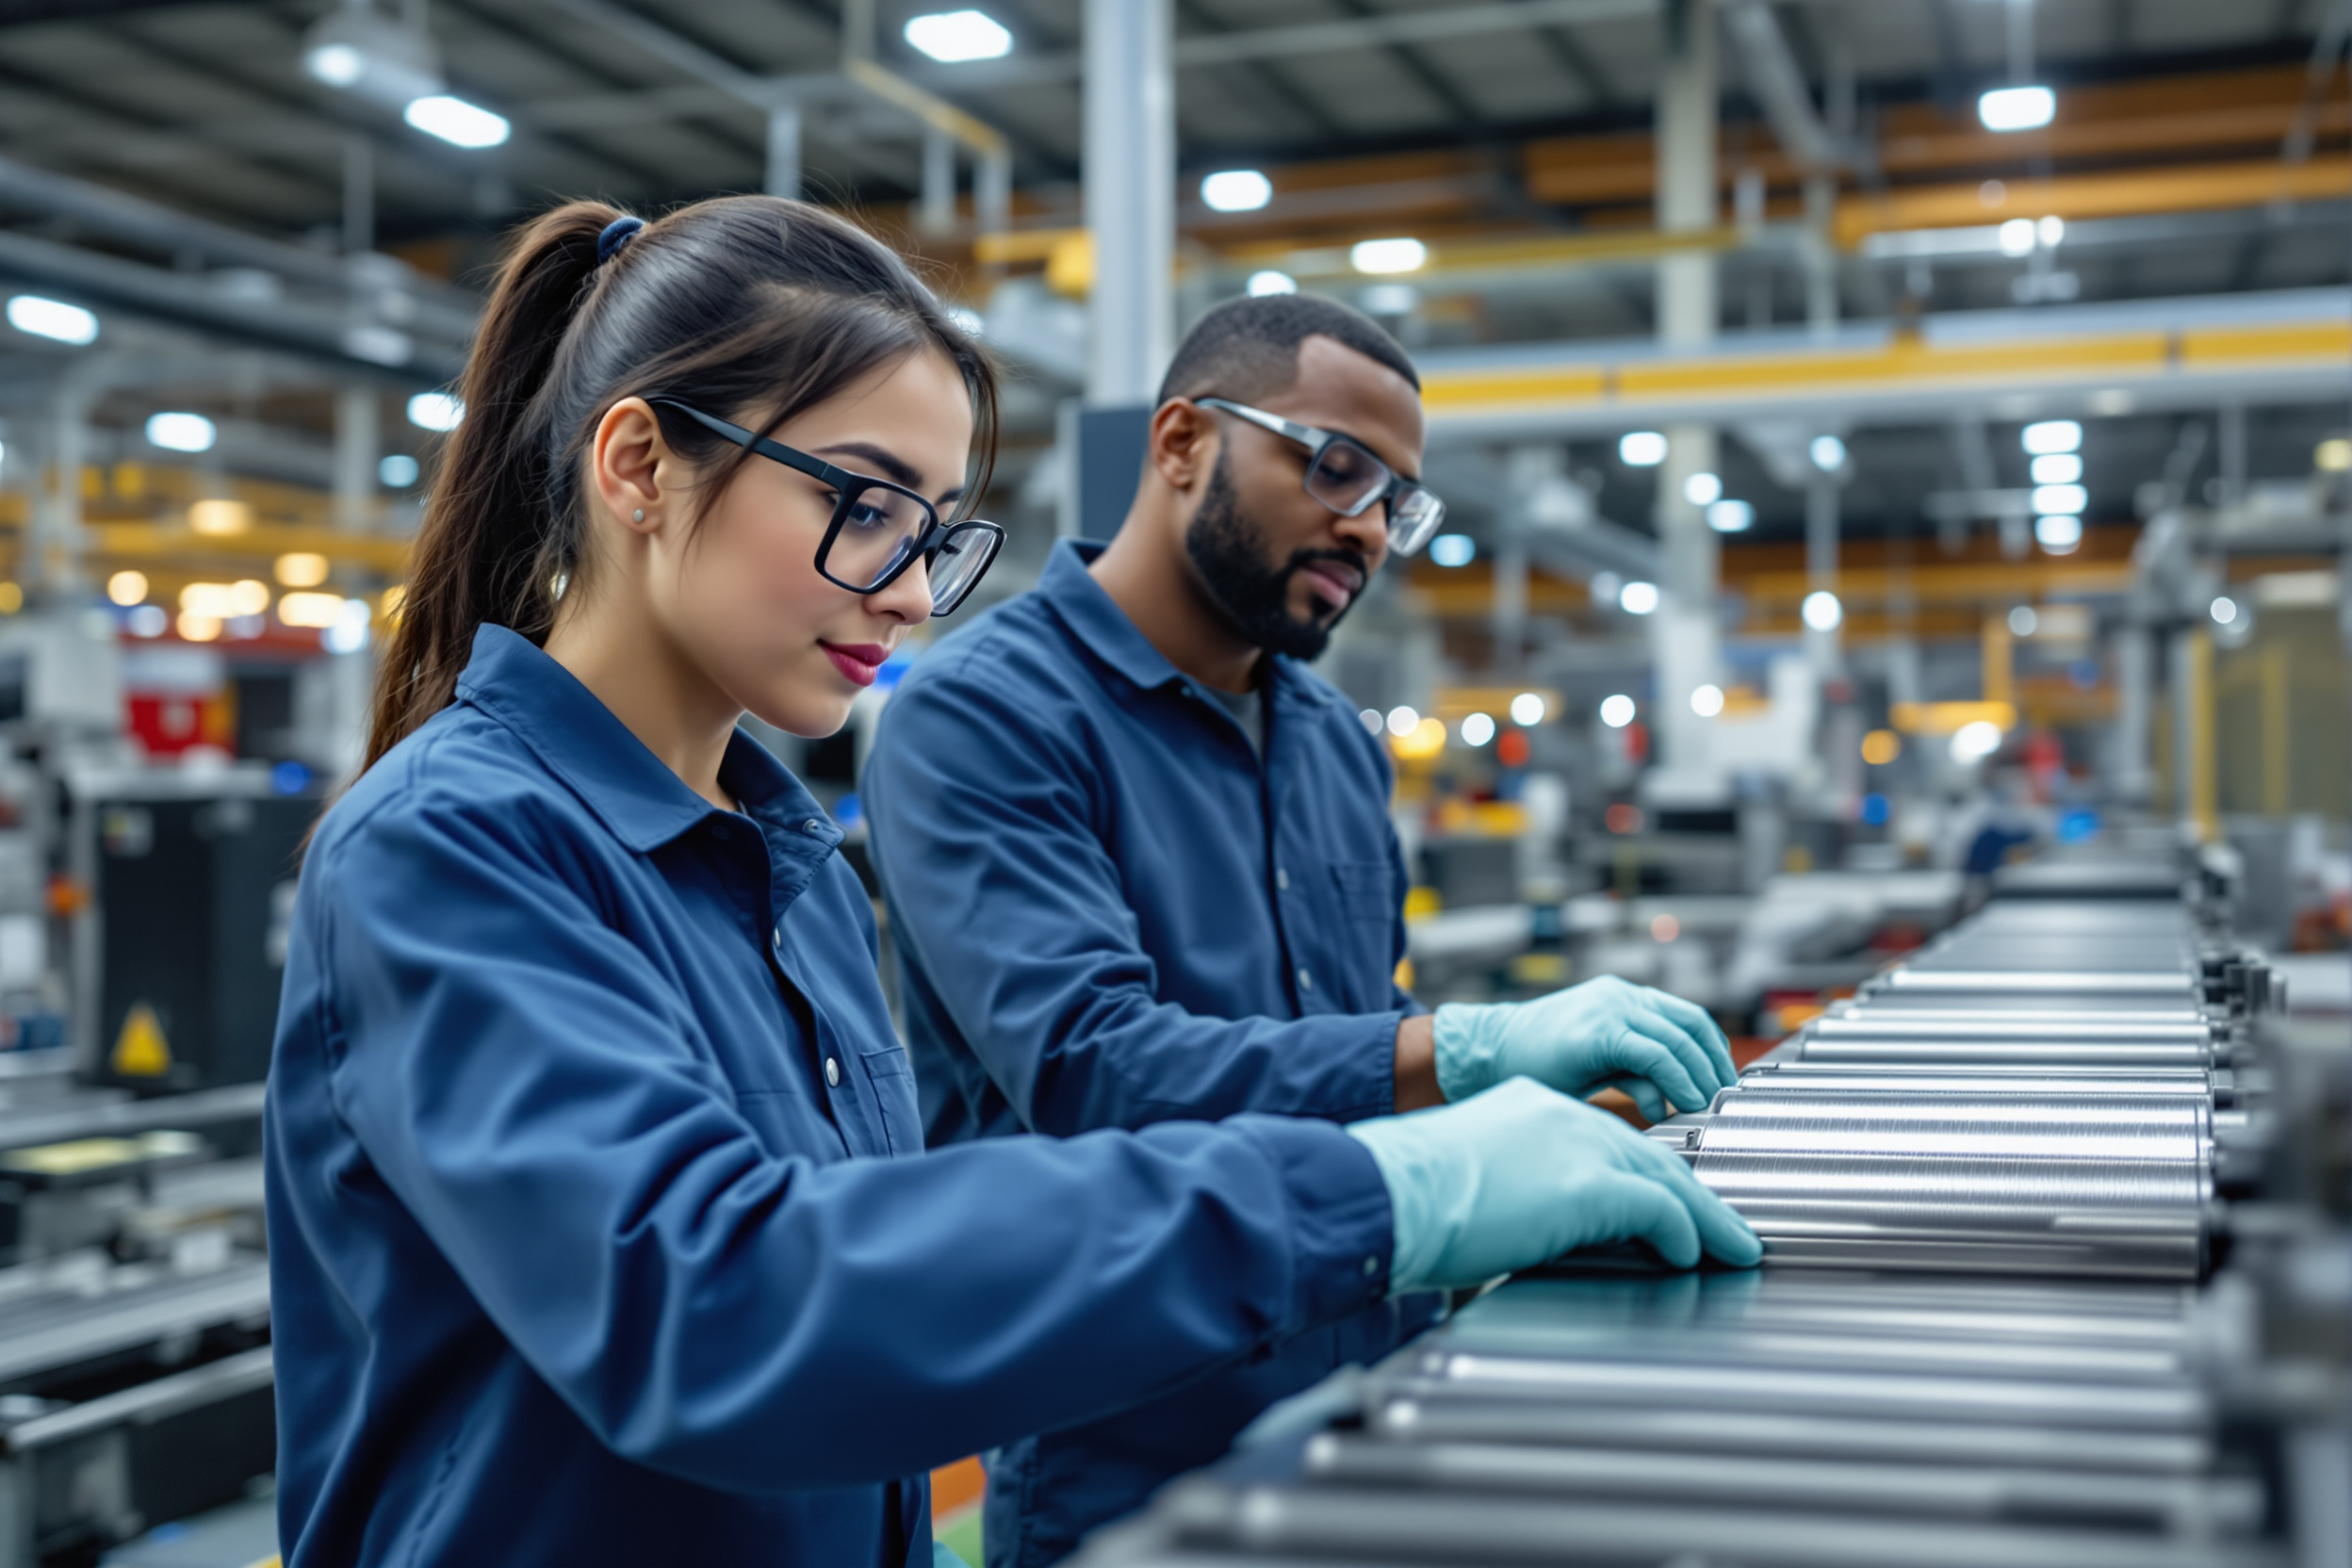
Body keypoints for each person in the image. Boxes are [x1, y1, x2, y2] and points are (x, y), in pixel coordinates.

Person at [262, 196, 1760, 1568]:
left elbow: (874, 1342)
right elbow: (720, 1308)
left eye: (931, 532)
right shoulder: (450, 847)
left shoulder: (786, 867)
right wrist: (1383, 1182)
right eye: (862, 505)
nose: (912, 595)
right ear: (641, 466)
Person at [864, 294, 1743, 1567]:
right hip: (1133, 1451)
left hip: (1380, 1402)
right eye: (1335, 468)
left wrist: (1554, 1144)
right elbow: (1093, 1067)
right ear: (1179, 444)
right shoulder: (982, 720)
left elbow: (1359, 1034)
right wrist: (1471, 1050)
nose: (1371, 527)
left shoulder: (1334, 742)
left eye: (1399, 499)